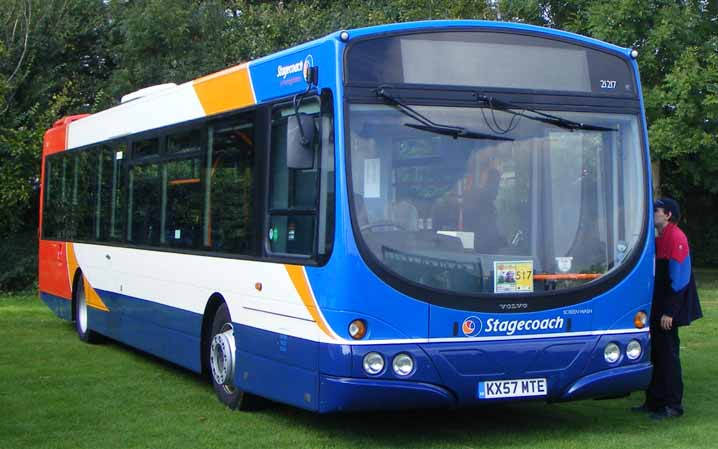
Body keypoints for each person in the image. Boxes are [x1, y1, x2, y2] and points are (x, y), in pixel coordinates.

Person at [633, 198, 703, 420]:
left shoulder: (676, 237)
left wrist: (670, 312)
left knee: (668, 355)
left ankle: (673, 405)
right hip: (659, 305)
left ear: (668, 215)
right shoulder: (658, 238)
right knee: (655, 353)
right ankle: (653, 401)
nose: (653, 213)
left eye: (657, 210)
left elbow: (680, 280)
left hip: (669, 307)